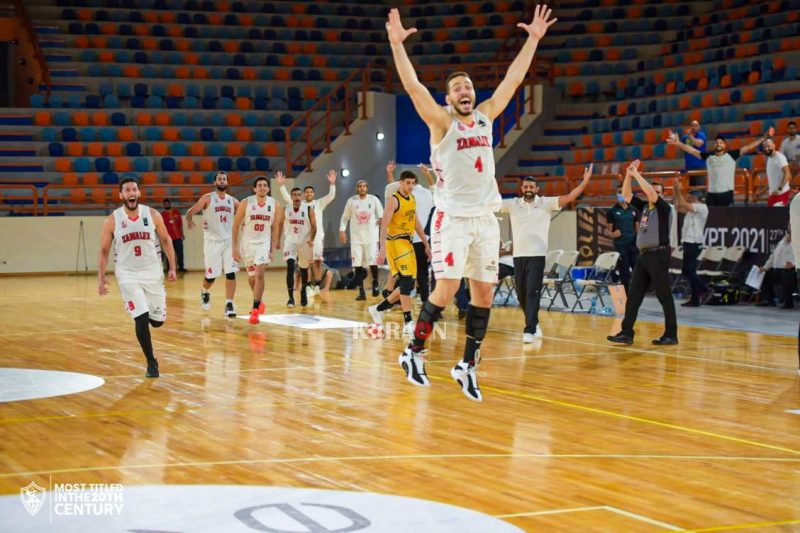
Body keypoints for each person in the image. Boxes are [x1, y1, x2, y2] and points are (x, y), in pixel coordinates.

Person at [386, 5, 556, 400]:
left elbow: (513, 81)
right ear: (448, 98)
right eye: (458, 88)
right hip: (453, 220)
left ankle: (466, 365)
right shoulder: (441, 122)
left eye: (469, 86)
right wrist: (397, 46)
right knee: (445, 289)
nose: (466, 91)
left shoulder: (484, 117)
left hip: (486, 220)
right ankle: (414, 353)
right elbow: (413, 87)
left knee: (484, 296)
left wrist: (532, 39)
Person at [499, 168, 593, 343]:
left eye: (532, 186)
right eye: (526, 186)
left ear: (537, 189)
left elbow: (570, 197)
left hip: (537, 255)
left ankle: (529, 330)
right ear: (521, 189)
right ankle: (533, 322)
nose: (528, 188)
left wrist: (585, 182)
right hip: (518, 256)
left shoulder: (546, 203)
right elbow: (490, 203)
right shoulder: (513, 204)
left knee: (532, 292)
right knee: (521, 294)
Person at [97, 177, 177, 378]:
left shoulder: (152, 215)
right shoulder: (112, 220)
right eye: (127, 190)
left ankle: (150, 312)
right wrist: (101, 278)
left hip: (152, 273)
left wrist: (173, 267)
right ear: (121, 195)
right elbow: (104, 250)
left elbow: (166, 240)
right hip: (127, 274)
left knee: (157, 322)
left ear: (139, 193)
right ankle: (152, 362)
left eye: (134, 190)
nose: (131, 193)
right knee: (140, 318)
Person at [608, 160, 678, 346]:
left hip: (658, 254)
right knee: (634, 294)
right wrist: (629, 176)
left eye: (657, 192)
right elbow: (625, 195)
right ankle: (626, 332)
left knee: (663, 295)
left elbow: (650, 193)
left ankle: (671, 334)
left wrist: (637, 174)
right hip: (644, 256)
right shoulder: (646, 208)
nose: (652, 194)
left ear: (662, 195)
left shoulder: (665, 209)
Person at [370, 170, 431, 335]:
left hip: (408, 243)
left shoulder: (411, 199)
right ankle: (408, 322)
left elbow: (417, 223)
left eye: (413, 183)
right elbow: (384, 225)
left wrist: (426, 244)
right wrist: (381, 248)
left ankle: (378, 309)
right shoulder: (393, 200)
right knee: (405, 281)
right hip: (395, 242)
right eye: (408, 183)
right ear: (401, 183)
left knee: (409, 284)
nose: (410, 186)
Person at [186, 171, 239, 317]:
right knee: (211, 276)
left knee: (231, 273)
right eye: (219, 179)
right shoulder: (207, 198)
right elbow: (191, 211)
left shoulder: (233, 201)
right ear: (215, 182)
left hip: (228, 241)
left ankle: (229, 304)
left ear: (227, 183)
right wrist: (189, 219)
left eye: (224, 179)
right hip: (212, 241)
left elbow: (243, 215)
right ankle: (205, 291)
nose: (222, 181)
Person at [232, 176, 284, 324]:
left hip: (263, 244)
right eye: (259, 185)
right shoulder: (246, 203)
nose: (262, 187)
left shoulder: (275, 205)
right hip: (247, 245)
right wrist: (234, 249)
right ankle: (259, 301)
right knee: (252, 277)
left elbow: (275, 228)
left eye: (265, 185)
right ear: (254, 189)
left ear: (268, 188)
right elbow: (235, 226)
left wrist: (273, 248)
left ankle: (255, 310)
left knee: (260, 273)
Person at [667, 131, 769, 207]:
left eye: (721, 142)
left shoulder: (731, 155)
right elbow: (692, 151)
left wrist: (763, 138)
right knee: (711, 222)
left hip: (726, 194)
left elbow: (747, 147)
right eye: (717, 142)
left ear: (724, 145)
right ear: (714, 145)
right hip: (711, 195)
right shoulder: (709, 157)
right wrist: (678, 143)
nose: (718, 144)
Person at [278, 170, 336, 298]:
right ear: (304, 194)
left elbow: (331, 196)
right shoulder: (301, 205)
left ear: (313, 194)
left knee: (317, 262)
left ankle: (317, 286)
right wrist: (281, 186)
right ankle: (308, 285)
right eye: (307, 192)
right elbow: (288, 198)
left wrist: (332, 184)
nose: (309, 193)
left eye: (311, 192)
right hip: (304, 238)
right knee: (305, 263)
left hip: (317, 237)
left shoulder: (319, 203)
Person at [385, 161, 434, 303]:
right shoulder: (428, 193)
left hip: (408, 239)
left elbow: (394, 188)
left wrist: (389, 173)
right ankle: (426, 301)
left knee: (403, 273)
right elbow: (434, 188)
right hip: (425, 238)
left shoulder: (407, 194)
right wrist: (428, 174)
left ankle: (393, 298)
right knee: (422, 273)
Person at [339, 180, 383, 300]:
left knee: (373, 262)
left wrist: (382, 221)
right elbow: (345, 217)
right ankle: (361, 291)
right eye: (360, 186)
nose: (362, 188)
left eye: (364, 186)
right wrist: (342, 230)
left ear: (367, 188)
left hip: (371, 237)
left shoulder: (373, 199)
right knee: (357, 265)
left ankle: (375, 283)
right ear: (356, 188)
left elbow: (382, 215)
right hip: (356, 238)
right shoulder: (351, 201)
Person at [281, 175, 317, 308]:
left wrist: (312, 239)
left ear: (301, 197)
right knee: (290, 267)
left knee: (303, 269)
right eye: (294, 195)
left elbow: (314, 227)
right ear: (291, 197)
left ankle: (303, 291)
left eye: (298, 195)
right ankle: (290, 298)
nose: (296, 197)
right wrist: (278, 241)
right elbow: (279, 224)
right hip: (290, 241)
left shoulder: (308, 209)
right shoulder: (285, 209)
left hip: (305, 242)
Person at [673, 182, 709, 307]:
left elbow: (683, 204)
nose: (687, 198)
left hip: (694, 242)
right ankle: (696, 297)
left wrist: (678, 191)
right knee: (688, 270)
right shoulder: (691, 210)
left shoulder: (702, 207)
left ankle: (704, 290)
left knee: (688, 270)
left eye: (689, 197)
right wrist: (675, 192)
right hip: (688, 242)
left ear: (695, 198)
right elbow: (678, 207)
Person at [606, 185, 640, 291]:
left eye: (623, 191)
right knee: (624, 271)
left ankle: (638, 292)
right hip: (620, 246)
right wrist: (613, 234)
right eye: (619, 192)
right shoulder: (612, 211)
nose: (621, 194)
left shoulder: (634, 210)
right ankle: (626, 293)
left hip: (634, 245)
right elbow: (608, 231)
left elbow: (639, 229)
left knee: (637, 270)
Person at [757, 227, 795, 308]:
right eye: (789, 224)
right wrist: (765, 267)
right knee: (766, 274)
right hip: (778, 268)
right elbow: (773, 255)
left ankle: (788, 302)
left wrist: (794, 264)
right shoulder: (783, 240)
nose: (790, 226)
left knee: (786, 275)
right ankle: (768, 300)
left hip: (793, 269)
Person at [764, 137, 792, 207]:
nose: (766, 148)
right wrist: (760, 193)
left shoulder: (779, 157)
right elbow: (772, 180)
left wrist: (779, 189)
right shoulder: (769, 159)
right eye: (765, 147)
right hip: (773, 195)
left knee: (775, 217)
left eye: (768, 146)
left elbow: (787, 174)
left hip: (781, 194)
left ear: (774, 145)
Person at [161, 198, 186, 273]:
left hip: (178, 237)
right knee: (169, 254)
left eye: (167, 204)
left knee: (180, 253)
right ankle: (170, 269)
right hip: (168, 238)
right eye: (165, 204)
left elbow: (180, 224)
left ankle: (181, 267)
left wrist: (182, 234)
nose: (166, 205)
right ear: (163, 205)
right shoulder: (162, 215)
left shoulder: (176, 212)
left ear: (170, 204)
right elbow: (161, 227)